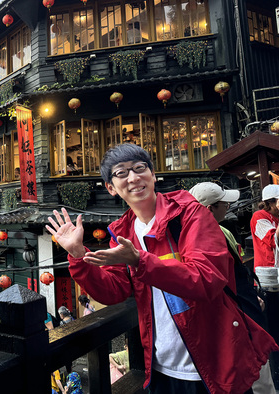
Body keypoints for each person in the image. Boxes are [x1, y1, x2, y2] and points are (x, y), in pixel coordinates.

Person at [46, 143, 277, 394]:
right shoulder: (122, 232)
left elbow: (206, 278)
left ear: (153, 174)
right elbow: (113, 291)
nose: (133, 178)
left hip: (216, 361)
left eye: (139, 168)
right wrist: (78, 254)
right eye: (121, 173)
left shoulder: (190, 214)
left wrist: (140, 261)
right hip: (160, 366)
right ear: (111, 187)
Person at [190, 182, 274, 394]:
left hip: (240, 305)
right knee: (254, 369)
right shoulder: (209, 236)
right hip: (237, 311)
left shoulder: (214, 231)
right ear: (209, 208)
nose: (228, 208)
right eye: (224, 204)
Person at [250, 184, 279, 270]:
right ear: (270, 202)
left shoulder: (277, 216)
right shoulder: (259, 216)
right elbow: (274, 241)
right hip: (269, 268)